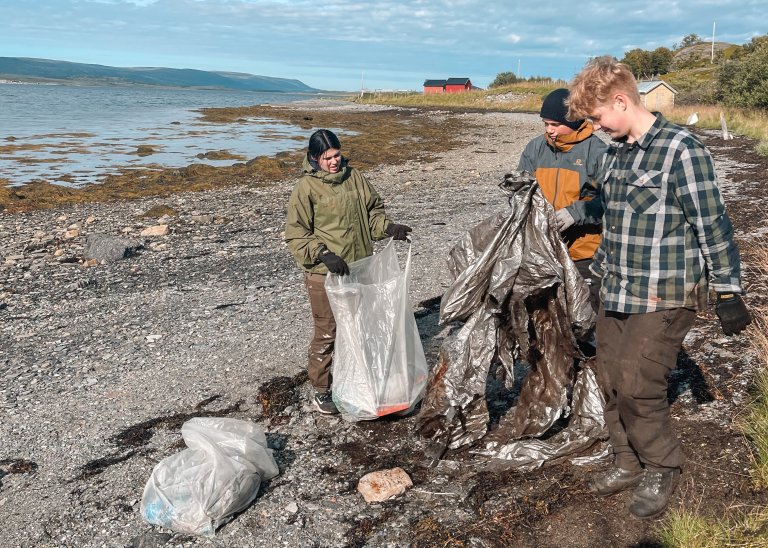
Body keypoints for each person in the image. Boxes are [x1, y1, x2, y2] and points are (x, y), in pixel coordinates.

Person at [567, 56, 752, 518]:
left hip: (666, 290)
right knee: (608, 376)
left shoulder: (682, 150)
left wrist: (729, 291)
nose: (594, 127)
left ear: (622, 101)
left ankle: (661, 464)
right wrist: (595, 266)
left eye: (596, 117)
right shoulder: (615, 151)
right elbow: (611, 215)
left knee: (637, 382)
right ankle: (626, 459)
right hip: (617, 286)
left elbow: (712, 223)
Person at [285, 129, 412, 415]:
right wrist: (323, 254)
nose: (334, 161)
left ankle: (358, 381)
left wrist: (388, 228)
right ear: (314, 158)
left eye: (337, 155)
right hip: (325, 275)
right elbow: (296, 235)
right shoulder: (306, 188)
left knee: (362, 326)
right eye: (327, 157)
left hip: (359, 267)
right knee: (328, 331)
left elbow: (373, 213)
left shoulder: (354, 177)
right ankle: (321, 390)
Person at [517, 88, 607, 312]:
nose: (550, 130)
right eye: (546, 124)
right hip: (542, 248)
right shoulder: (535, 148)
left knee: (584, 316)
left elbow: (612, 200)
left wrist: (574, 214)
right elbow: (523, 188)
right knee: (544, 313)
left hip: (583, 253)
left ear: (574, 120)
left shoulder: (598, 152)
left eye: (555, 124)